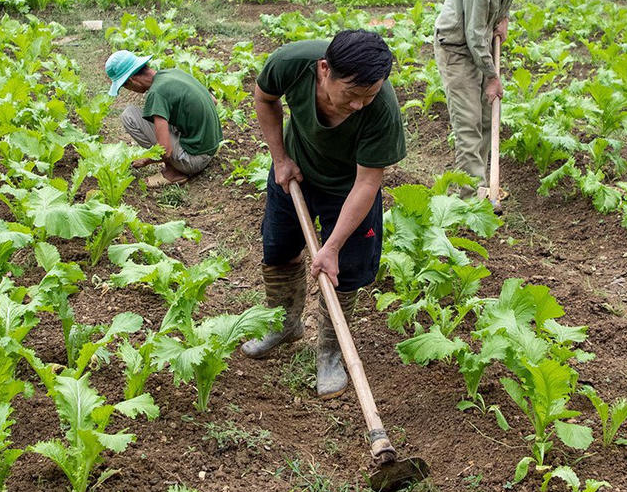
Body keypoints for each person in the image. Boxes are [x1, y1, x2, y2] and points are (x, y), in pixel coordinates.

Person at [240, 30, 406, 399]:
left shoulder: (381, 110)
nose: (360, 105)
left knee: (344, 270)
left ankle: (330, 352)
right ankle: (284, 324)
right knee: (278, 249)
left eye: (370, 95)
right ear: (324, 70)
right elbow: (265, 98)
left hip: (349, 191)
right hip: (295, 169)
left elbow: (367, 185)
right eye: (352, 94)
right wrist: (280, 158)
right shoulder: (291, 64)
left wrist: (330, 247)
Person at [433, 0, 539, 195]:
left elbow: (503, 1)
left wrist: (503, 17)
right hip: (457, 48)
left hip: (479, 47)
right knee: (468, 124)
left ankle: (477, 187)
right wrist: (492, 76)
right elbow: (475, 32)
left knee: (485, 121)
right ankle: (471, 202)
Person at [106, 50, 223, 184]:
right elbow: (213, 101)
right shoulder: (172, 73)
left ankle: (173, 172)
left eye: (124, 86)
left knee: (129, 115)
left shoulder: (156, 93)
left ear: (131, 80)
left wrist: (147, 160)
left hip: (194, 160)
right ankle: (185, 154)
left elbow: (165, 151)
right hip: (211, 147)